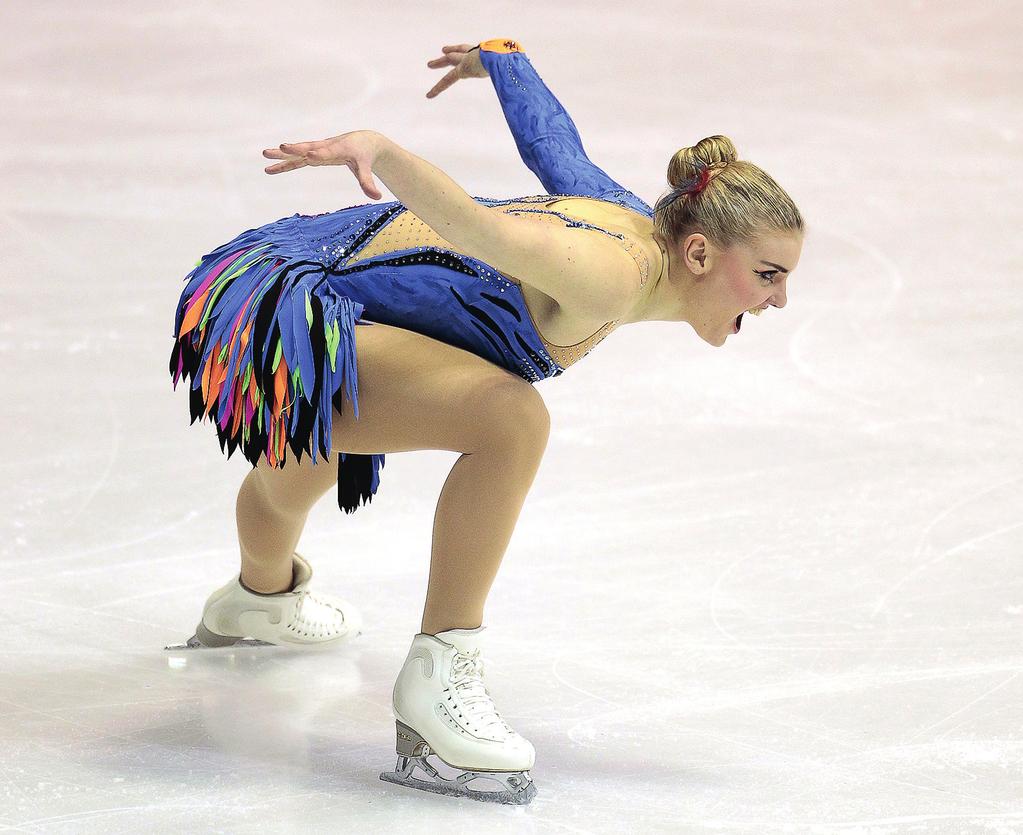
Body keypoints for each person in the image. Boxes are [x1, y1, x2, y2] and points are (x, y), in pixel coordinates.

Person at [165, 38, 804, 804]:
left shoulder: (639, 223)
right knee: (511, 419)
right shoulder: (612, 271)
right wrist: (382, 151)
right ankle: (438, 683)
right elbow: (478, 229)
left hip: (303, 284)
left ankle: (255, 601)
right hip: (298, 308)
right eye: (768, 275)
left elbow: (551, 143)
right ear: (698, 252)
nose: (776, 300)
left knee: (309, 460)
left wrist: (504, 60)